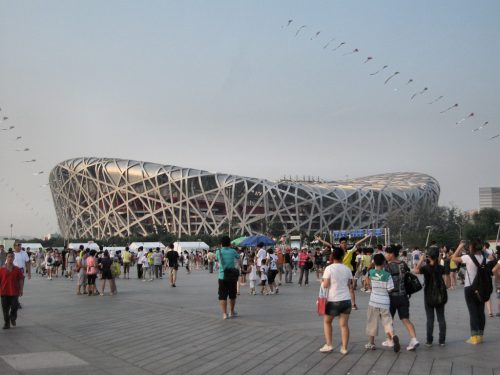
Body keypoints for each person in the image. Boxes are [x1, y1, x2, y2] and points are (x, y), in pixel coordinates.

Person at [451, 240, 493, 344]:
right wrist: (484, 251)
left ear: (472, 248)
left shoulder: (468, 258)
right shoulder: (485, 259)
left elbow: (453, 258)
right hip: (481, 288)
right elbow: (493, 259)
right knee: (480, 312)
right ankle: (480, 335)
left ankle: (474, 337)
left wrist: (460, 246)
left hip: (470, 287)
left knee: (473, 312)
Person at [384, 244, 419, 351]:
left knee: (388, 320)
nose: (385, 255)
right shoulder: (403, 264)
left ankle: (390, 340)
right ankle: (414, 339)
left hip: (391, 297)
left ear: (391, 254)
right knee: (405, 319)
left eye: (387, 253)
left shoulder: (387, 266)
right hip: (403, 296)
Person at [319, 247, 353, 355]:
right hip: (346, 300)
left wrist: (322, 281)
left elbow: (325, 285)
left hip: (333, 300)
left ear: (332, 256)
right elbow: (349, 285)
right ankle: (344, 348)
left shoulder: (329, 268)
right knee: (344, 325)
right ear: (343, 257)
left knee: (327, 322)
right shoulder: (347, 269)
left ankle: (329, 344)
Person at [365, 253, 400, 352]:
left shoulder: (371, 272)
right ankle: (393, 336)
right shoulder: (387, 275)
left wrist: (370, 287)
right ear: (384, 263)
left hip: (373, 301)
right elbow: (390, 289)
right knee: (387, 322)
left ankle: (371, 343)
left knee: (372, 322)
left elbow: (366, 280)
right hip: (384, 302)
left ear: (374, 262)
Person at [414, 247, 447, 347]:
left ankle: (429, 340)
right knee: (441, 318)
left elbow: (415, 270)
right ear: (437, 256)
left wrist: (421, 259)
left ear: (429, 256)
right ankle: (442, 340)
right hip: (440, 295)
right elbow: (445, 274)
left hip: (428, 295)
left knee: (430, 319)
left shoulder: (426, 268)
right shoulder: (441, 268)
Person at [217, 236, 240, 320]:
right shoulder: (233, 251)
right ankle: (232, 311)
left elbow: (218, 260)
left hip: (222, 276)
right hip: (232, 276)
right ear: (229, 243)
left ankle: (224, 314)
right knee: (232, 295)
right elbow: (238, 257)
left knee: (222, 295)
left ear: (221, 244)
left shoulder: (218, 252)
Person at [0, 252, 24, 329]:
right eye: (9, 257)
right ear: (6, 258)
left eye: (11, 257)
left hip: (14, 292)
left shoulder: (17, 269)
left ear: (13, 258)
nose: (10, 258)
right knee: (5, 309)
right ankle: (7, 323)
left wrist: (21, 289)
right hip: (4, 292)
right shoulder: (1, 269)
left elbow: (21, 279)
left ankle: (12, 318)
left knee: (15, 306)